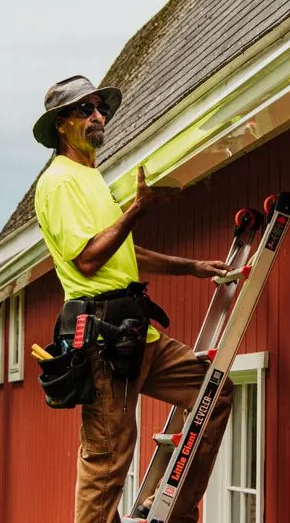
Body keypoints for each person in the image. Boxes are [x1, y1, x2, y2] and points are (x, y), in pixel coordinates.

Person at [32, 75, 233, 523]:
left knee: (212, 393)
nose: (98, 117)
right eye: (85, 110)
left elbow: (120, 249)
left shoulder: (90, 178)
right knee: (107, 459)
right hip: (102, 337)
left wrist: (191, 267)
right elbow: (87, 260)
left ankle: (175, 511)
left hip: (133, 329)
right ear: (61, 125)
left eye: (100, 107)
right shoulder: (59, 182)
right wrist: (137, 210)